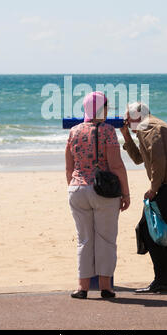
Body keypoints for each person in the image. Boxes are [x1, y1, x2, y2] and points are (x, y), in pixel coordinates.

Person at [120, 102, 167, 293]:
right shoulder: (147, 126)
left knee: (148, 229)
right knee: (160, 230)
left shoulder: (149, 127)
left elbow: (158, 161)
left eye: (128, 120)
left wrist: (153, 189)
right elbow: (139, 159)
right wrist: (126, 135)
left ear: (136, 117)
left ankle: (162, 280)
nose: (127, 123)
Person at [65, 91, 130, 299]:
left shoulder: (74, 131)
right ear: (101, 109)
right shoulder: (108, 131)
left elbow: (69, 167)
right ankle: (105, 288)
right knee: (106, 240)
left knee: (84, 240)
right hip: (103, 192)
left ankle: (82, 288)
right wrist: (125, 193)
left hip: (77, 189)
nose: (108, 111)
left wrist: (76, 186)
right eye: (106, 107)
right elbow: (117, 166)